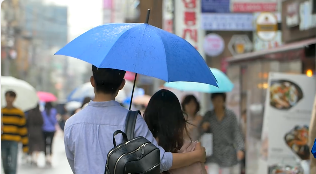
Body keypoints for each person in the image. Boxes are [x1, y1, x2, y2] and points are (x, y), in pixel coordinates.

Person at [64, 65, 206, 174]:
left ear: (92, 81)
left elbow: (75, 165)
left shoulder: (71, 124)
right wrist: (196, 156)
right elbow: (159, 160)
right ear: (122, 84)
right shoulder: (132, 121)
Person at [144, 89, 207, 174]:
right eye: (189, 104)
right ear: (178, 119)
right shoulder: (194, 150)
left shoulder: (142, 148)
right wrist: (196, 155)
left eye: (193, 104)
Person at [200, 93, 244, 174]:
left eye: (219, 101)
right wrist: (204, 127)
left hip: (228, 152)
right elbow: (201, 133)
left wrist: (240, 148)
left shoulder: (231, 116)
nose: (217, 103)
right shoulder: (208, 115)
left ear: (223, 101)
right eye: (215, 101)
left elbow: (236, 132)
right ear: (212, 101)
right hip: (213, 152)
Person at [1, 91, 29, 174]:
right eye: (7, 97)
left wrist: (25, 146)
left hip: (14, 141)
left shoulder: (19, 113)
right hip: (3, 140)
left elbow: (23, 130)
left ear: (14, 99)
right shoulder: (1, 112)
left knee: (13, 164)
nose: (8, 99)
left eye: (10, 97)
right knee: (4, 163)